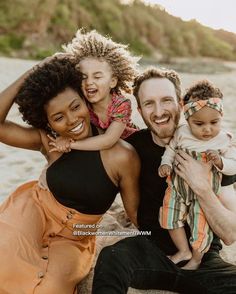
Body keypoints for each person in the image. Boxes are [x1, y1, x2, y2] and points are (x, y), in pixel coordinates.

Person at [0, 58, 140, 294]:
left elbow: (135, 213)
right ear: (48, 123)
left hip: (76, 237)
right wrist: (33, 72)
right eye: (58, 117)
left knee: (52, 289)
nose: (72, 120)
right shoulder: (50, 141)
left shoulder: (122, 156)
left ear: (86, 100)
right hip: (33, 211)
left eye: (75, 107)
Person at [92, 67, 236, 294]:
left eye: (166, 100)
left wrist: (201, 187)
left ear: (181, 104)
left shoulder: (211, 148)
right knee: (112, 257)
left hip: (204, 257)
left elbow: (230, 233)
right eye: (149, 103)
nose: (159, 111)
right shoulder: (131, 149)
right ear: (139, 110)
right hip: (151, 250)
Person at [158, 80, 236, 270]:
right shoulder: (181, 133)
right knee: (169, 217)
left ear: (221, 116)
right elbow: (171, 148)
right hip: (177, 187)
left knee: (200, 227)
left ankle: (196, 258)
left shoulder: (224, 140)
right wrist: (166, 163)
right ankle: (183, 250)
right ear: (187, 119)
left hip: (203, 194)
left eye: (214, 122)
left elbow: (233, 167)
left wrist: (220, 162)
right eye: (199, 124)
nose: (207, 129)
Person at [48, 30, 140, 153]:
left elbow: (108, 140)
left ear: (112, 81)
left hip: (133, 145)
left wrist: (71, 144)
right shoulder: (81, 103)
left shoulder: (121, 104)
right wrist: (63, 137)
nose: (89, 82)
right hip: (102, 149)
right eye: (83, 77)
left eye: (97, 77)